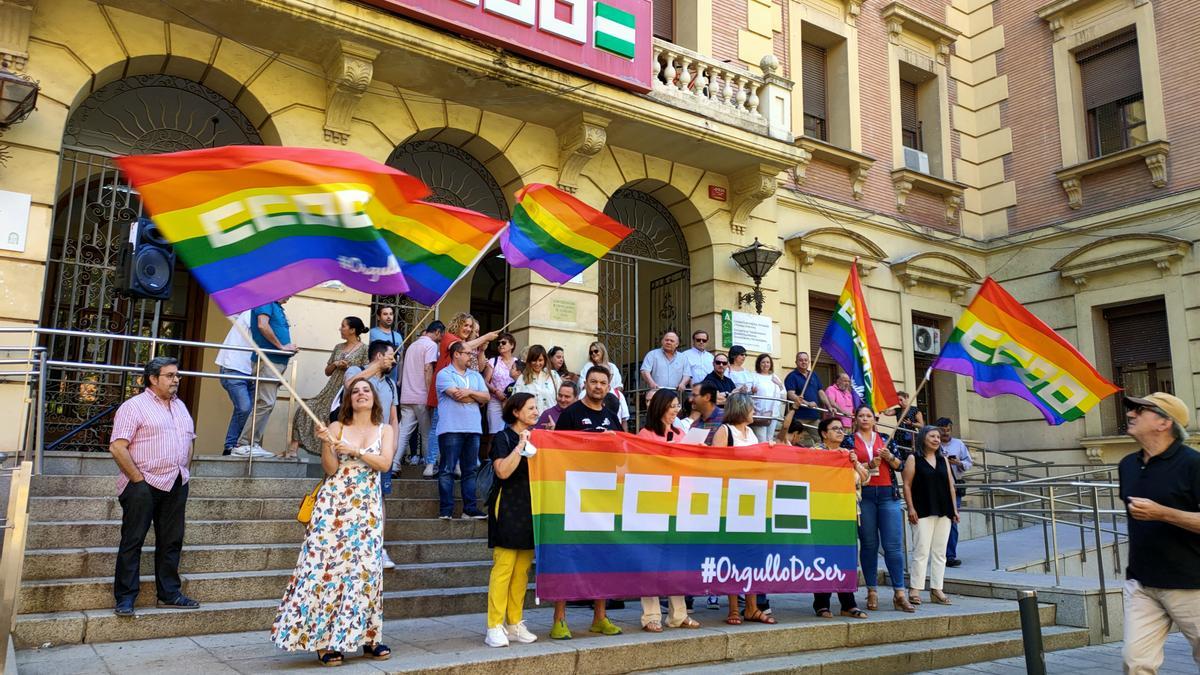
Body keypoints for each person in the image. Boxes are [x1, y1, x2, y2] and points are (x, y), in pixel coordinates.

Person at [271, 378, 395, 666]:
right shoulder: (337, 427)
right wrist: (327, 443)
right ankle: (323, 641)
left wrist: (357, 451)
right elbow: (330, 468)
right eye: (355, 392)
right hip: (334, 506)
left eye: (366, 390)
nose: (361, 394)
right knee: (325, 569)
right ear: (348, 400)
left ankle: (366, 636)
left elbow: (385, 464)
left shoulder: (384, 429)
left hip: (367, 508)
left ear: (374, 398)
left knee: (365, 571)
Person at [108, 357, 198, 617]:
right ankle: (125, 598)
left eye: (177, 375)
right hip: (142, 484)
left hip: (176, 482)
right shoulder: (134, 407)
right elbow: (117, 447)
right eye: (170, 375)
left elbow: (188, 441)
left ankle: (169, 593)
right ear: (153, 379)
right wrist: (138, 480)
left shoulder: (181, 407)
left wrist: (185, 471)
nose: (176, 380)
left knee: (172, 541)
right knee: (133, 540)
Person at [1117, 392, 1200, 674]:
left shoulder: (1193, 464)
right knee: (1135, 662)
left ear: (1164, 422)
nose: (1130, 414)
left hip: (1191, 584)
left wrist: (1163, 513)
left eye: (1140, 410)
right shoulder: (1127, 464)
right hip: (1142, 583)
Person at [550, 365, 624, 639]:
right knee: (569, 556)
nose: (597, 387)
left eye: (602, 383)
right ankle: (559, 619)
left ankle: (600, 617)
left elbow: (621, 456)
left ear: (608, 386)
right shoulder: (570, 414)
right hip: (573, 495)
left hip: (604, 496)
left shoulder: (611, 416)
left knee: (602, 557)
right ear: (585, 384)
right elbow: (557, 452)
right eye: (593, 382)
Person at [635, 389, 702, 632]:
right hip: (653, 503)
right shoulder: (645, 434)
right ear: (661, 407)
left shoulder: (680, 433)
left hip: (679, 502)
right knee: (651, 560)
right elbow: (641, 467)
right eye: (672, 405)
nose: (676, 410)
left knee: (677, 561)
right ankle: (650, 615)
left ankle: (678, 614)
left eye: (677, 406)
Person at [711, 393, 775, 625]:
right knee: (733, 553)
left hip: (752, 500)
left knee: (752, 554)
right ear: (740, 408)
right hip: (730, 500)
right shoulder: (724, 431)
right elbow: (716, 466)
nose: (753, 410)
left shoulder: (751, 434)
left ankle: (752, 606)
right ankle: (733, 608)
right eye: (751, 407)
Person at [484, 392, 540, 648]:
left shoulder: (540, 438)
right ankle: (494, 625)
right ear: (516, 412)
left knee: (522, 571)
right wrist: (520, 446)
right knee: (504, 569)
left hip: (531, 507)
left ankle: (514, 622)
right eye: (530, 408)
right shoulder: (503, 437)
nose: (536, 412)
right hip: (506, 505)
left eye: (536, 408)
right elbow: (502, 471)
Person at [345, 340, 400, 570]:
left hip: (381, 447)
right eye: (390, 356)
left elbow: (394, 418)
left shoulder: (390, 383)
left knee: (381, 496)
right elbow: (349, 386)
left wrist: (393, 447)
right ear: (378, 356)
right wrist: (375, 368)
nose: (394, 361)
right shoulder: (357, 371)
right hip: (353, 443)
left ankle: (378, 546)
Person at [851, 404, 911, 612]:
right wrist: (867, 465)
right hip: (864, 496)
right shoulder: (850, 440)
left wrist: (888, 457)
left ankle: (900, 592)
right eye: (862, 415)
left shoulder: (886, 438)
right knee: (868, 544)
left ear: (875, 420)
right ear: (856, 418)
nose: (866, 419)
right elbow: (847, 467)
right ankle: (872, 590)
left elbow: (900, 466)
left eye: (869, 416)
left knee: (893, 545)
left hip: (888, 494)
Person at [426, 313, 500, 479]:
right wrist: (486, 337)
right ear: (457, 324)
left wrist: (481, 350)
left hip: (470, 389)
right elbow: (460, 346)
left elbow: (480, 368)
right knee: (438, 427)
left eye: (470, 327)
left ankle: (459, 464)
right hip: (449, 389)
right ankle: (430, 464)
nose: (468, 329)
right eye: (465, 325)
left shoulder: (469, 345)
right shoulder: (448, 338)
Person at [812, 416, 869, 619]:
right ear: (824, 433)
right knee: (824, 558)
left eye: (842, 428)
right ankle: (821, 603)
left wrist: (855, 464)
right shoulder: (816, 453)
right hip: (823, 513)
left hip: (847, 513)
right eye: (835, 428)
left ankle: (848, 603)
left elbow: (865, 478)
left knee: (845, 558)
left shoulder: (847, 453)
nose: (840, 432)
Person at [289, 316, 368, 457]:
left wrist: (349, 366)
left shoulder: (364, 350)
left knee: (330, 416)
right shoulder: (338, 347)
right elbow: (327, 371)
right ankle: (292, 450)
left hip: (347, 390)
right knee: (305, 409)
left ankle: (332, 454)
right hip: (330, 388)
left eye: (343, 326)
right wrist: (336, 364)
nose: (340, 328)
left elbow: (366, 372)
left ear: (352, 330)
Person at [234, 297, 298, 457]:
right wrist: (281, 346)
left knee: (266, 403)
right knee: (265, 402)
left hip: (275, 361)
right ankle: (244, 444)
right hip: (269, 360)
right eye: (289, 291)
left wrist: (286, 348)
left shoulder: (276, 306)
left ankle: (251, 443)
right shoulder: (266, 301)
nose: (291, 295)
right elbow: (262, 325)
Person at [903, 425, 957, 607]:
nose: (936, 439)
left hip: (944, 510)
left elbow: (950, 486)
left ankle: (937, 589)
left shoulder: (943, 460)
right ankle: (915, 589)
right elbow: (907, 485)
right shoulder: (914, 458)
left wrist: (954, 510)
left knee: (940, 552)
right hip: (922, 509)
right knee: (921, 550)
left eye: (938, 437)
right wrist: (911, 508)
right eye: (932, 436)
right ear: (923, 438)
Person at [436, 341, 490, 520]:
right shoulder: (444, 374)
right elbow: (457, 397)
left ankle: (470, 509)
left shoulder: (476, 375)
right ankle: (446, 510)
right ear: (456, 354)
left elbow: (487, 397)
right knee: (447, 470)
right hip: (451, 428)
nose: (472, 356)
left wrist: (468, 392)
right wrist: (475, 396)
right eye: (468, 353)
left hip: (473, 428)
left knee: (470, 470)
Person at [396, 321, 444, 476]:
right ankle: (430, 465)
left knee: (403, 432)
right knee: (428, 433)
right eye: (441, 335)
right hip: (422, 396)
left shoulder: (412, 346)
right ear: (437, 332)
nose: (441, 338)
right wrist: (432, 394)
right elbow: (428, 368)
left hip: (406, 395)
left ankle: (394, 464)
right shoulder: (431, 346)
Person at [215, 310, 254, 456]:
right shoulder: (253, 312)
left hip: (251, 370)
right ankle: (231, 445)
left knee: (249, 409)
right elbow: (264, 331)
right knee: (244, 408)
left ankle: (238, 445)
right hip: (234, 368)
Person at [936, 417, 972, 568]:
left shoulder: (958, 444)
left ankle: (950, 555)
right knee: (937, 521)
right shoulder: (932, 443)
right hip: (936, 487)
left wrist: (958, 463)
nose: (945, 433)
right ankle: (938, 553)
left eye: (948, 430)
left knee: (952, 521)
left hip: (954, 487)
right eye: (942, 430)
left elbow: (968, 463)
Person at [483, 333, 518, 443]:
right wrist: (495, 391)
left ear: (512, 345)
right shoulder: (493, 361)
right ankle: (490, 459)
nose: (500, 345)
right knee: (494, 433)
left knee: (513, 432)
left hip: (512, 402)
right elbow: (484, 381)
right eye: (498, 343)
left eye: (503, 343)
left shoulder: (518, 362)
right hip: (495, 401)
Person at [785, 351, 828, 440]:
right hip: (799, 417)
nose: (803, 362)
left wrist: (829, 406)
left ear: (809, 362)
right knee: (793, 440)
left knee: (822, 439)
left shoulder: (813, 375)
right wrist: (807, 403)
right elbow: (791, 394)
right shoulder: (792, 376)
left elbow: (821, 392)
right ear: (796, 362)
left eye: (806, 360)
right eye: (800, 360)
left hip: (814, 416)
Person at [587, 341, 629, 426]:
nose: (593, 354)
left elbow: (619, 386)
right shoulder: (588, 366)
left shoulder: (612, 367)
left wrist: (609, 394)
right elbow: (583, 385)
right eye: (591, 352)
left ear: (602, 351)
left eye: (596, 351)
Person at [513, 345, 561, 415]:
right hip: (529, 421)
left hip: (550, 421)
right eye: (534, 360)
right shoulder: (523, 378)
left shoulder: (553, 375)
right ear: (529, 360)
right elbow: (515, 401)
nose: (537, 363)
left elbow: (561, 397)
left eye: (540, 360)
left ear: (545, 360)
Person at [640, 330, 686, 401]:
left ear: (677, 344)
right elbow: (644, 371)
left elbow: (687, 374)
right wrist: (651, 383)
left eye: (671, 341)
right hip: (656, 393)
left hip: (675, 394)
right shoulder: (652, 354)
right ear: (662, 341)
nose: (668, 342)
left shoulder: (683, 357)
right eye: (666, 340)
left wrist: (683, 384)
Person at [750, 353, 786, 443]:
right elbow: (748, 393)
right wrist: (752, 391)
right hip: (759, 414)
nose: (766, 364)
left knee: (770, 440)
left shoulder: (774, 377)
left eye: (768, 362)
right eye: (763, 362)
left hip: (773, 414)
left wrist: (780, 384)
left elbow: (783, 396)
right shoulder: (754, 376)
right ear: (758, 364)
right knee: (761, 440)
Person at [369, 305, 403, 390]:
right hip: (374, 379)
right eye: (385, 314)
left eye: (391, 314)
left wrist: (399, 379)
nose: (389, 317)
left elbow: (401, 359)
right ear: (378, 317)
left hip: (391, 381)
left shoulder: (397, 336)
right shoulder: (372, 333)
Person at [882, 391, 924, 455]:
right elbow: (887, 413)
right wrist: (884, 402)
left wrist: (911, 423)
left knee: (909, 454)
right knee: (899, 454)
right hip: (898, 436)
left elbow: (921, 425)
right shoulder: (898, 410)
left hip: (910, 437)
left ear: (906, 398)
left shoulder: (915, 410)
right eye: (898, 401)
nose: (900, 402)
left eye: (901, 400)